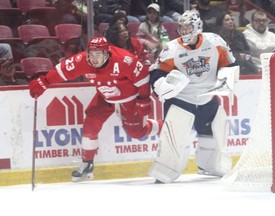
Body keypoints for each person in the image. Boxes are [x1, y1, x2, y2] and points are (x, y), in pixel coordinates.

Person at [28, 36, 162, 182]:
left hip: (129, 99)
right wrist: (45, 81)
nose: (94, 58)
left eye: (98, 55)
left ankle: (165, 126)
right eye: (91, 54)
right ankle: (87, 164)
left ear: (106, 53)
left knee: (137, 132)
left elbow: (142, 76)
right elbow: (63, 70)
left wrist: (143, 99)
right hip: (105, 97)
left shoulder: (124, 60)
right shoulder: (83, 60)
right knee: (90, 125)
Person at [149, 9, 239, 182]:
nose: (184, 32)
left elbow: (230, 63)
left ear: (198, 27)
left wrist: (227, 79)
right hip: (181, 99)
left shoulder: (215, 42)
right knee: (174, 136)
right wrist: (162, 86)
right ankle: (165, 170)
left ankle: (210, 165)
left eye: (188, 28)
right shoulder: (172, 48)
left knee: (213, 133)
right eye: (181, 28)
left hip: (208, 97)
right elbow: (157, 73)